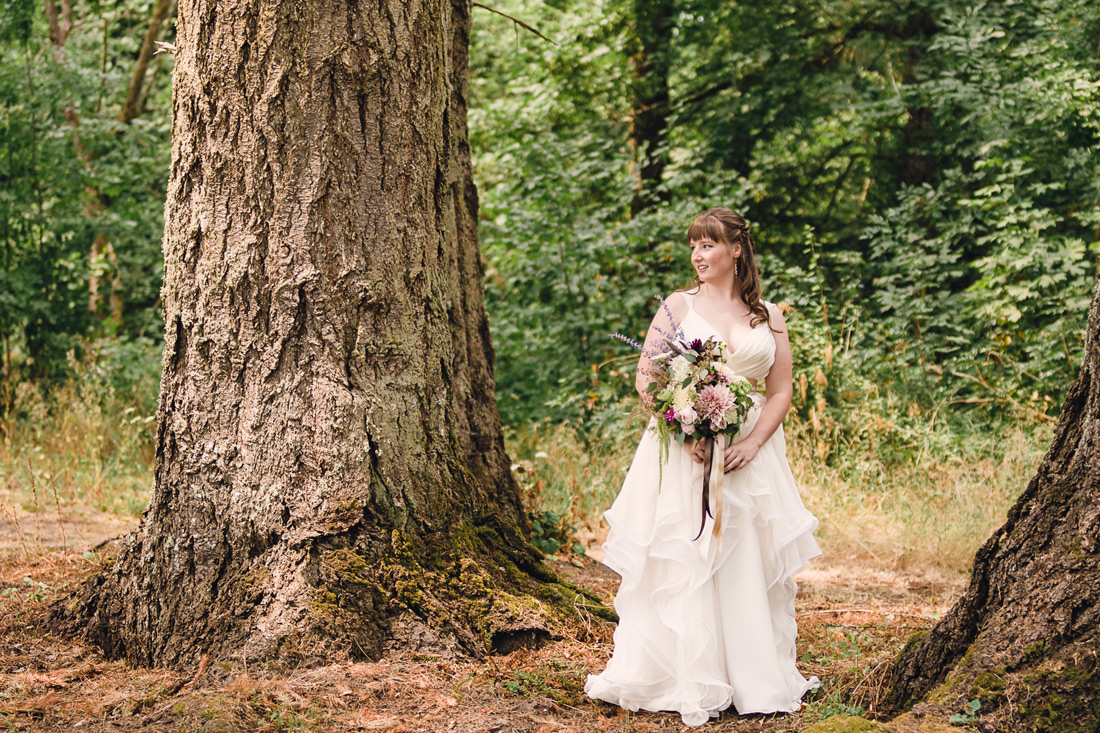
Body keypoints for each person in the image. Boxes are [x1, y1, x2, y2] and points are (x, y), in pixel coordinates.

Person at [585, 207, 822, 727]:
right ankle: (681, 674)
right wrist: (685, 426)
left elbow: (779, 391)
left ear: (736, 250)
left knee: (744, 556)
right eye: (693, 246)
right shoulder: (676, 307)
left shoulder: (769, 316)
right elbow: (647, 379)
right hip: (681, 451)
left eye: (708, 245)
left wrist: (754, 443)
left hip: (749, 453)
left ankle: (750, 675)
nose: (698, 255)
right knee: (684, 555)